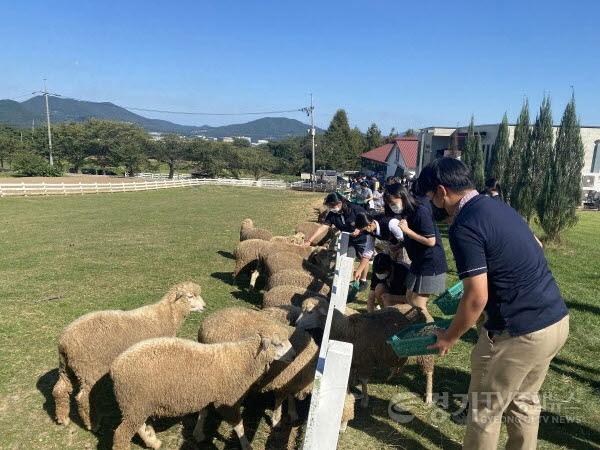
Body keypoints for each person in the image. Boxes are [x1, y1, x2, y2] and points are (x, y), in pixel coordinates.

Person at [416, 157, 569, 450]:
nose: (431, 205)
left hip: (519, 333)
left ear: (442, 191)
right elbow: (535, 246)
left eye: (430, 198)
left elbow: (477, 297)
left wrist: (449, 336)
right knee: (524, 403)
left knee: (485, 413)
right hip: (555, 321)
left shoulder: (464, 226)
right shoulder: (498, 205)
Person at [384, 183, 447, 322]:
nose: (391, 206)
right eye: (389, 204)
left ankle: (431, 332)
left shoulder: (420, 211)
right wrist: (401, 244)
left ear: (402, 196)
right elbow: (414, 236)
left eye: (393, 202)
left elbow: (431, 241)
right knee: (409, 297)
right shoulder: (406, 213)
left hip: (430, 262)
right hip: (418, 261)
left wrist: (407, 231)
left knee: (419, 304)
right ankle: (416, 328)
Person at [303, 192, 371, 288]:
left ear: (339, 203)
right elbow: (324, 226)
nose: (331, 208)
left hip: (362, 239)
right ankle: (348, 282)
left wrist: (359, 229)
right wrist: (310, 240)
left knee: (363, 258)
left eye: (331, 205)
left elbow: (368, 222)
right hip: (347, 239)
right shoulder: (332, 214)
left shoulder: (356, 209)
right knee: (347, 259)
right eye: (329, 206)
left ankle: (363, 280)